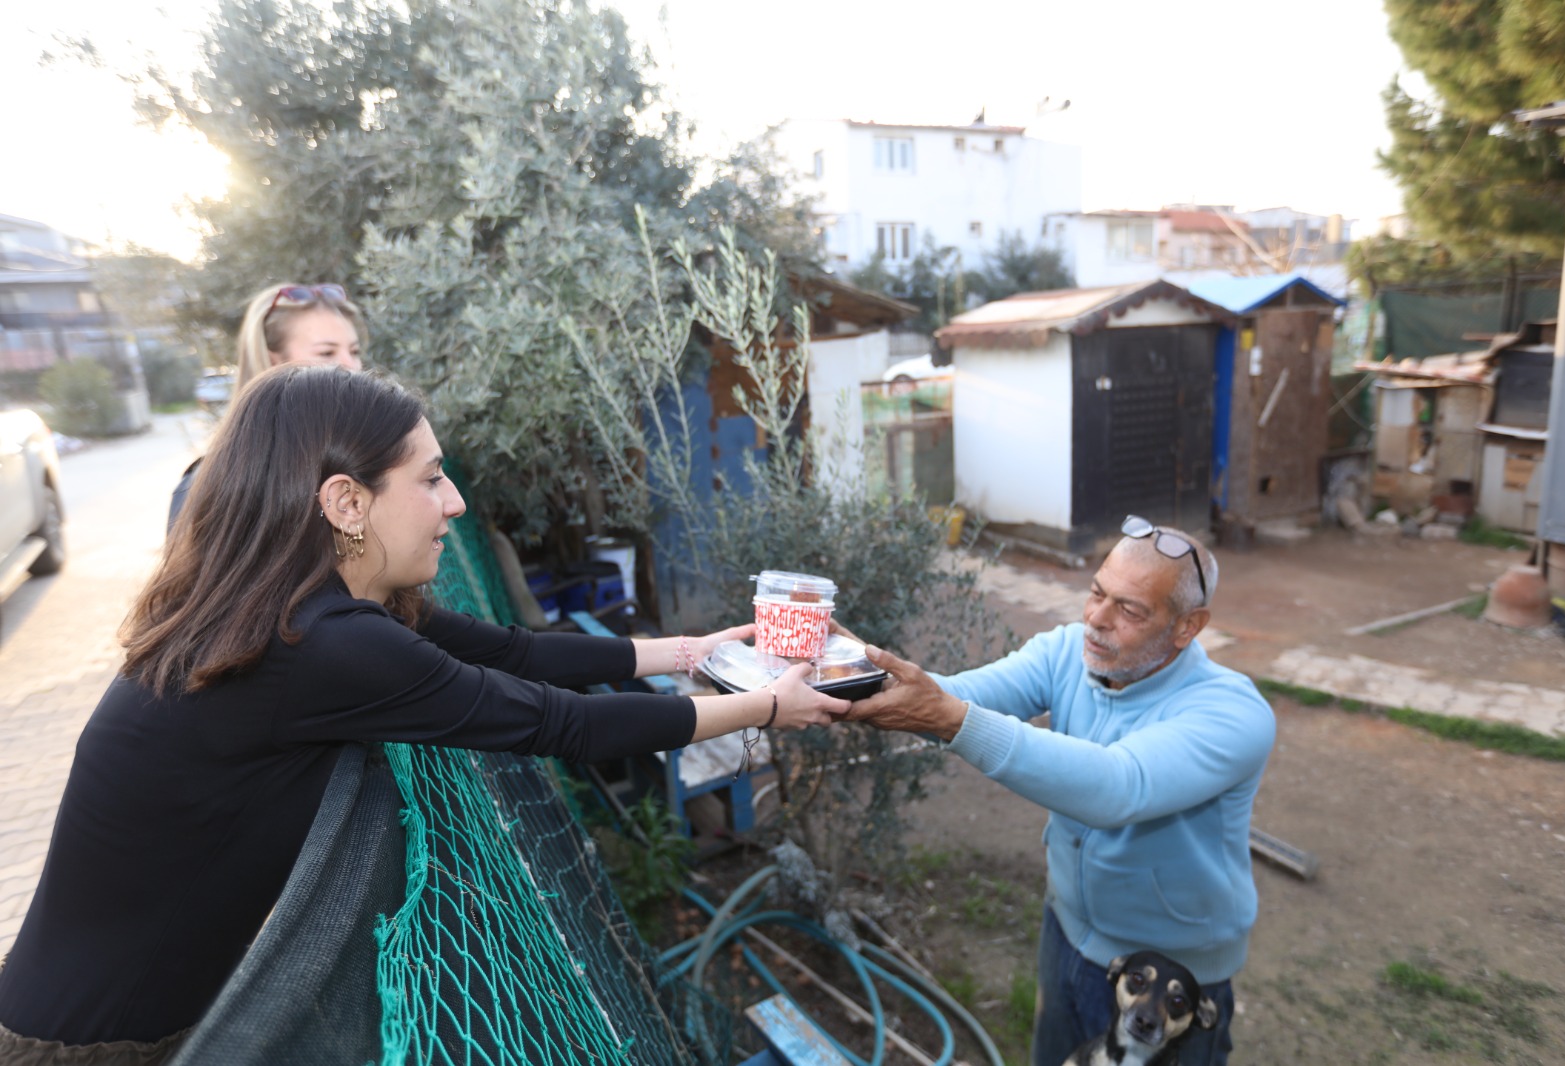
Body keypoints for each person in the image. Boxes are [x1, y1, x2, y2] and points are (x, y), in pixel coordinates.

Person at [0, 365, 850, 1062]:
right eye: (431, 478)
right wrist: (768, 706)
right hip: (95, 1040)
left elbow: (512, 652)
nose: (455, 503)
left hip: (102, 1004)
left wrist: (691, 652)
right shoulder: (319, 642)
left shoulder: (295, 600)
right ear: (347, 503)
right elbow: (566, 726)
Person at [842, 517, 1275, 1066]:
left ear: (1187, 626)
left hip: (1171, 976)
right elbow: (955, 697)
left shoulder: (1233, 713)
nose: (1096, 618)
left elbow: (1117, 787)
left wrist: (949, 718)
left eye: (1129, 610)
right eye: (1096, 592)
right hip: (1067, 932)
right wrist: (852, 670)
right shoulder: (1066, 651)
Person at [168, 282, 366, 529]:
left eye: (354, 351)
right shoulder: (208, 487)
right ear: (274, 364)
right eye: (326, 353)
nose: (352, 367)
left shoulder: (376, 458)